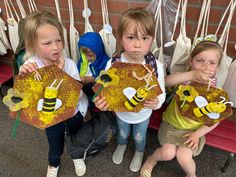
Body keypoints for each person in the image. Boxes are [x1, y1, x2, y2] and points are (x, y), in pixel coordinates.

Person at [94, 7, 166, 172]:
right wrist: (101, 102)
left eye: (144, 38)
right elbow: (104, 91)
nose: (137, 44)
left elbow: (161, 92)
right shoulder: (113, 64)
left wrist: (157, 102)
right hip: (121, 112)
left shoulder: (155, 66)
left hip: (143, 114)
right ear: (121, 39)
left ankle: (139, 152)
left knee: (139, 137)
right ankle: (121, 145)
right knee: (123, 133)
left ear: (152, 40)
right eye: (131, 37)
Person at [19, 11, 88, 177]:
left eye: (58, 40)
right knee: (54, 142)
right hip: (51, 116)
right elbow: (27, 100)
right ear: (32, 44)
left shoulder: (69, 65)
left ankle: (77, 155)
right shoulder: (31, 67)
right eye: (47, 43)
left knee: (75, 136)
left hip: (73, 112)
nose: (56, 47)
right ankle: (53, 162)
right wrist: (23, 78)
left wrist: (61, 76)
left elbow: (77, 96)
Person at [140, 41, 223, 177]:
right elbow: (164, 82)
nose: (205, 66)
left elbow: (215, 119)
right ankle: (151, 160)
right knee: (168, 153)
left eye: (212, 63)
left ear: (217, 67)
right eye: (200, 60)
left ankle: (191, 175)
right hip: (171, 125)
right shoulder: (184, 78)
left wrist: (197, 134)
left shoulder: (215, 92)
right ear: (191, 61)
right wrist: (191, 75)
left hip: (194, 130)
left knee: (184, 157)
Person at [77, 32, 109, 113]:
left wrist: (91, 79)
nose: (87, 58)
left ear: (98, 52)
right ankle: (88, 108)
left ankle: (95, 109)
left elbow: (105, 79)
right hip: (85, 86)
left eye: (90, 55)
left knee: (95, 101)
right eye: (84, 55)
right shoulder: (82, 60)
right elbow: (77, 70)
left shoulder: (104, 62)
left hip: (97, 88)